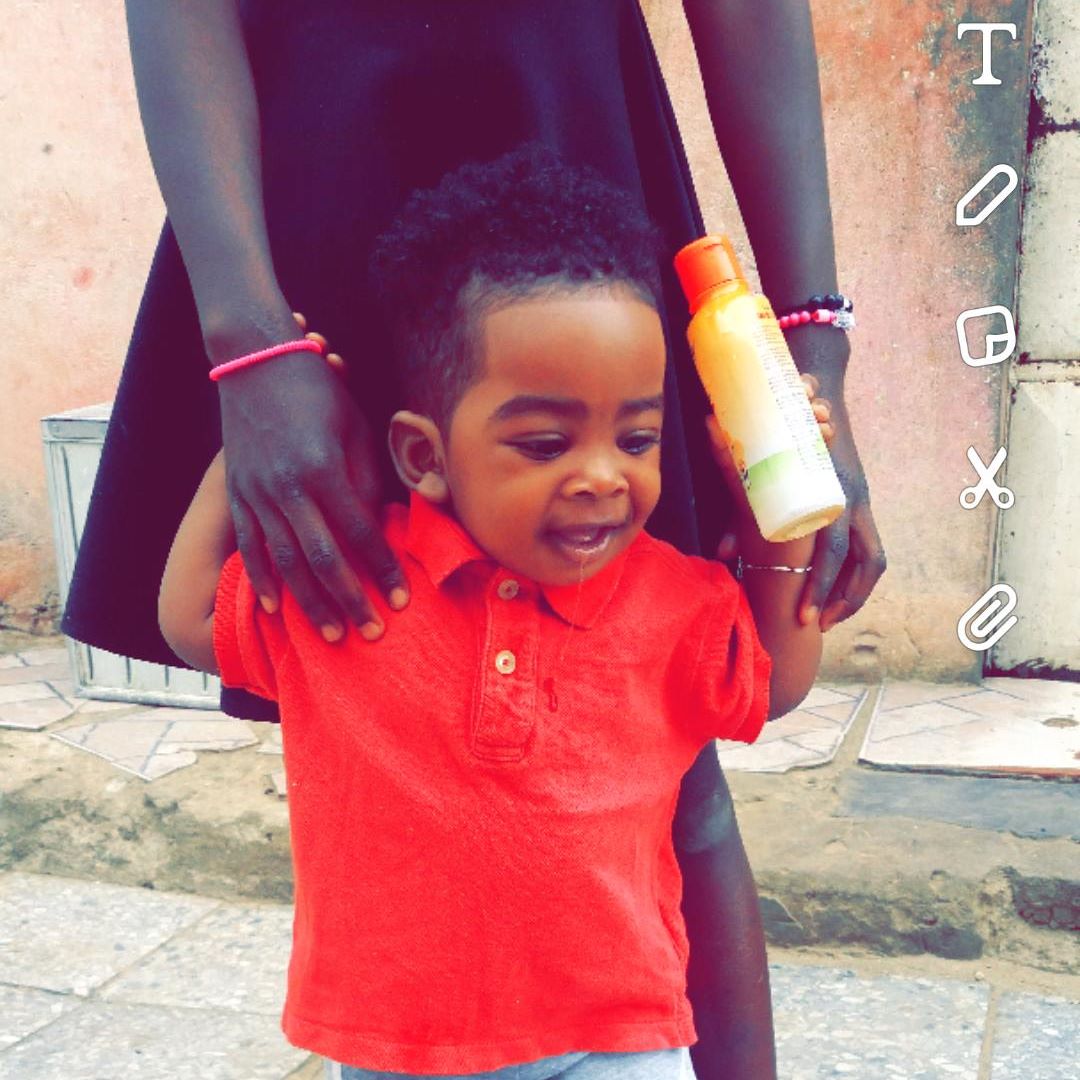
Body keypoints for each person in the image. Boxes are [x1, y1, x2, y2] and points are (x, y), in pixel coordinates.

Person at [64, 3, 886, 1074]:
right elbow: (194, 618)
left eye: (637, 437)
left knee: (681, 783)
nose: (601, 474)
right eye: (550, 442)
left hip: (569, 116)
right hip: (319, 160)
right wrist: (249, 350)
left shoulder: (661, 577)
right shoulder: (371, 585)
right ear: (419, 452)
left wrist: (805, 366)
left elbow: (770, 675)